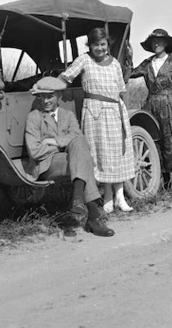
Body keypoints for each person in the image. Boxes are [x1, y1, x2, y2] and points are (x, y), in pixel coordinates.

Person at [24, 76, 115, 237]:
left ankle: (79, 199)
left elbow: (78, 137)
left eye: (50, 96)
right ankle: (92, 216)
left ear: (59, 96)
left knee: (80, 145)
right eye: (42, 96)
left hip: (69, 157)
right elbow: (34, 151)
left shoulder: (68, 115)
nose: (45, 101)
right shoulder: (34, 117)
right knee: (83, 157)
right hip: (47, 164)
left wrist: (53, 141)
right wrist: (62, 145)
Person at [58, 27, 136, 214]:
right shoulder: (85, 60)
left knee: (117, 153)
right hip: (94, 113)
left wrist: (124, 114)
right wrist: (49, 87)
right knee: (101, 154)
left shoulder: (115, 63)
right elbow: (66, 76)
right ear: (90, 46)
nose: (100, 48)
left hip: (115, 111)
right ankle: (107, 195)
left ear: (107, 45)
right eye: (96, 45)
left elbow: (122, 90)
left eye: (103, 44)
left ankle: (120, 196)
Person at [130, 28, 172, 189]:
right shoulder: (147, 63)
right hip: (152, 105)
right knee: (158, 142)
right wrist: (128, 56)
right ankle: (165, 182)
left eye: (159, 41)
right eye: (154, 41)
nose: (156, 44)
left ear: (166, 43)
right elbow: (130, 73)